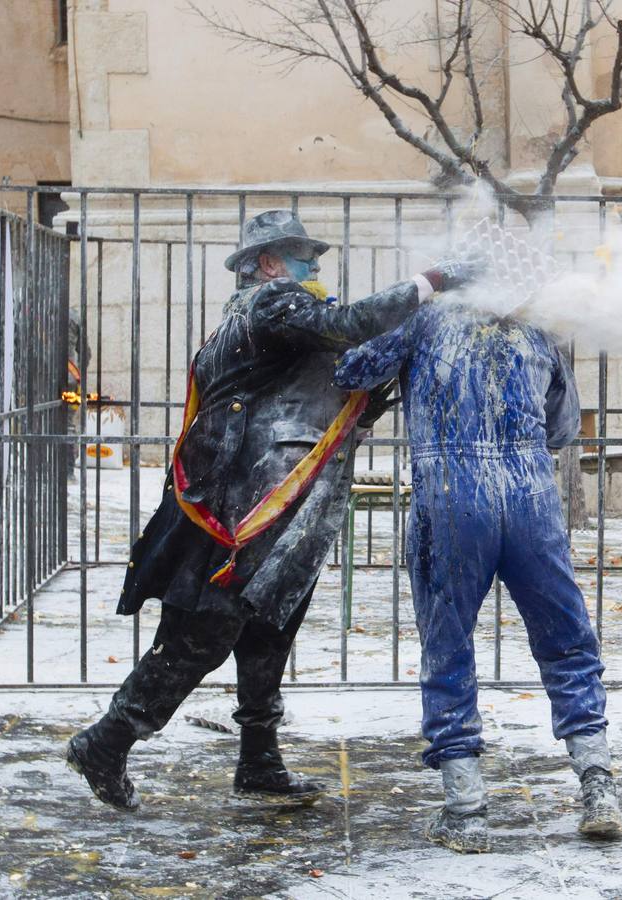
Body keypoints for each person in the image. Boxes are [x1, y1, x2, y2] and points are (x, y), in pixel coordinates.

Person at [66, 210, 481, 810]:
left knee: (269, 628)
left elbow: (316, 387)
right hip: (237, 510)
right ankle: (107, 741)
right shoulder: (270, 303)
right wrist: (432, 281)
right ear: (267, 264)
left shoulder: (278, 317)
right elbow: (349, 324)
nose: (315, 265)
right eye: (301, 255)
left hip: (270, 506)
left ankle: (258, 759)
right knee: (202, 636)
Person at [333, 301, 622, 852]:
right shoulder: (540, 331)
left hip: (451, 496)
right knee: (566, 643)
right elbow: (561, 430)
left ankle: (465, 811)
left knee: (448, 647)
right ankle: (598, 786)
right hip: (531, 498)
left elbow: (352, 371)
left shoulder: (424, 320)